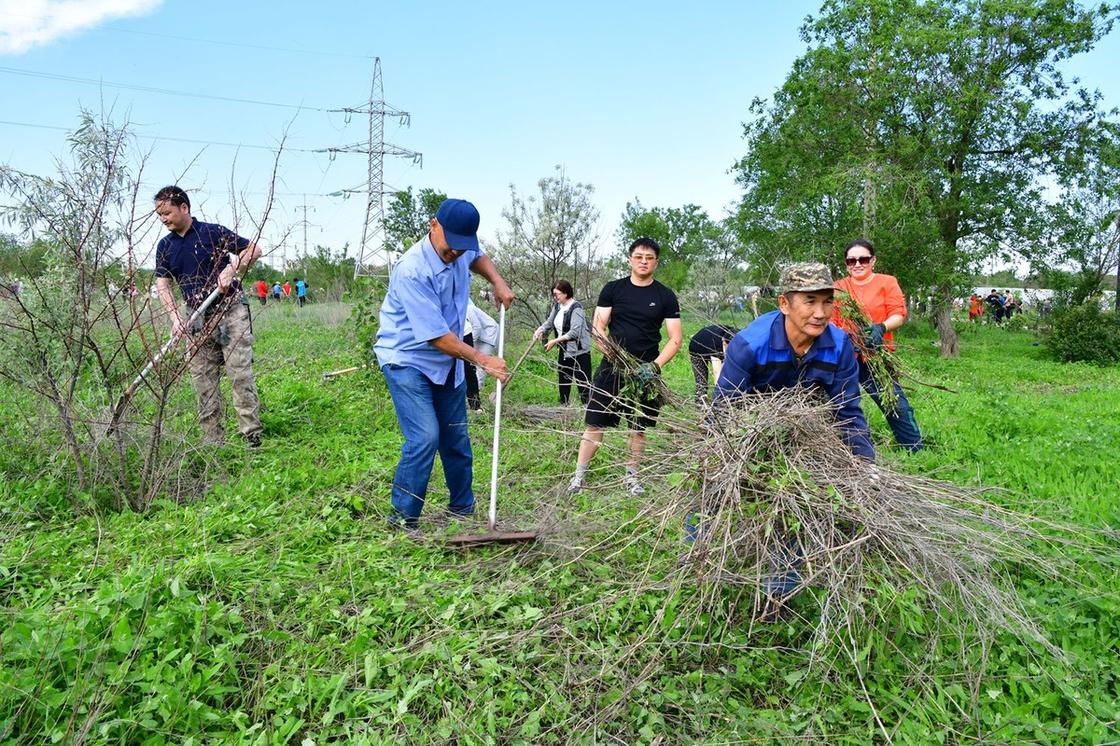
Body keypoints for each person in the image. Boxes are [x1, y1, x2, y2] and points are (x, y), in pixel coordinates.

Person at [707, 263, 874, 608]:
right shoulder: (750, 345)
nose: (820, 312)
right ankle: (705, 565)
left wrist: (865, 463)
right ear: (785, 303)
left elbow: (848, 411)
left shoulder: (840, 345)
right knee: (712, 498)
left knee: (796, 504)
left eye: (827, 302)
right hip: (749, 435)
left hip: (808, 438)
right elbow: (724, 413)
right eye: (809, 301)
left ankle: (777, 594)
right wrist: (729, 460)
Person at [374, 198, 514, 530]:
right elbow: (435, 336)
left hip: (447, 362)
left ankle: (462, 511)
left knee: (455, 438)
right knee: (424, 437)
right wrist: (483, 360)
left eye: (462, 247)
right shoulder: (412, 270)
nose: (455, 253)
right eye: (451, 246)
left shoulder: (463, 248)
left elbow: (477, 257)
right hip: (407, 358)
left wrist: (497, 281)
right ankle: (402, 521)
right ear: (433, 225)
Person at [568, 238, 683, 495]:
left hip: (646, 372)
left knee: (638, 429)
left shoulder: (665, 295)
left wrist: (654, 366)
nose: (644, 261)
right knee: (594, 424)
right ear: (630, 259)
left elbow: (675, 338)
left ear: (656, 262)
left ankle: (632, 479)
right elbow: (598, 327)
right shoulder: (613, 289)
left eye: (649, 257)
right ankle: (578, 479)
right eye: (639, 256)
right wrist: (613, 355)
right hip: (612, 368)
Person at [152, 185, 264, 447]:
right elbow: (163, 285)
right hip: (195, 317)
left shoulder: (212, 232)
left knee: (239, 374)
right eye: (159, 215)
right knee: (203, 380)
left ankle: (251, 434)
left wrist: (231, 268)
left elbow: (254, 250)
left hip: (231, 310)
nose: (163, 219)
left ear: (184, 207)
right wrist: (175, 318)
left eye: (167, 212)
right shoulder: (165, 247)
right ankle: (213, 440)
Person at [833, 239, 923, 452]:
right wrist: (845, 340)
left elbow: (898, 314)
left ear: (873, 260)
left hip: (875, 355)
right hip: (846, 357)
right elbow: (832, 321)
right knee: (841, 404)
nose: (857, 264)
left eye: (863, 259)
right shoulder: (838, 287)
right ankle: (842, 448)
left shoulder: (887, 282)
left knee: (895, 404)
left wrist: (881, 328)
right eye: (851, 260)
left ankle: (914, 448)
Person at [533, 280, 593, 406]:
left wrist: (554, 341)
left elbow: (574, 332)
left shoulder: (576, 308)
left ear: (566, 293)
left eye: (557, 294)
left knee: (583, 382)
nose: (555, 297)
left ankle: (587, 409)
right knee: (564, 379)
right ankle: (564, 408)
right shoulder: (557, 307)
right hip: (565, 350)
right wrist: (540, 330)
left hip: (579, 351)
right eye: (554, 294)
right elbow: (549, 323)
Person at [687, 324, 737, 403]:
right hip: (697, 348)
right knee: (701, 381)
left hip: (713, 342)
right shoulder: (715, 344)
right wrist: (723, 394)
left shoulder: (738, 337)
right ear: (725, 342)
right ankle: (700, 402)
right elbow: (717, 373)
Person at [465, 300, 500, 386]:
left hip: (489, 335)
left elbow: (477, 328)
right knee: (475, 362)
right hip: (480, 338)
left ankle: (478, 392)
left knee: (481, 365)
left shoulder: (469, 309)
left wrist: (468, 343)